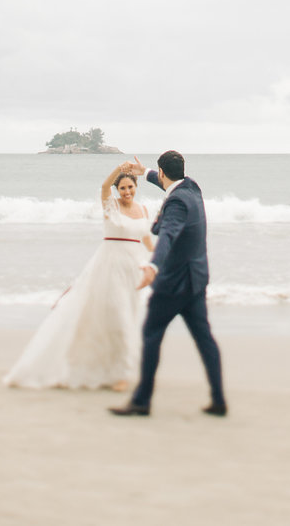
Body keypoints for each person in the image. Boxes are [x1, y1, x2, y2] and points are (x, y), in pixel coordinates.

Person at [3, 164, 153, 391]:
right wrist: (119, 169)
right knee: (118, 318)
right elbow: (104, 187)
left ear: (136, 187)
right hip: (109, 268)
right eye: (122, 188)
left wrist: (158, 263)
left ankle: (111, 370)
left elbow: (148, 241)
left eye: (130, 187)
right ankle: (121, 375)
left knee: (128, 318)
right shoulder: (111, 206)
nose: (126, 192)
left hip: (133, 271)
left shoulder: (143, 210)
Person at [109, 151, 227, 417]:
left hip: (173, 283)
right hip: (196, 280)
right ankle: (219, 400)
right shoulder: (192, 188)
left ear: (163, 172)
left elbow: (168, 236)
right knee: (205, 339)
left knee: (151, 334)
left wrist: (153, 266)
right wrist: (144, 172)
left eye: (158, 173)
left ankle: (141, 401)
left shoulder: (176, 203)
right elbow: (168, 185)